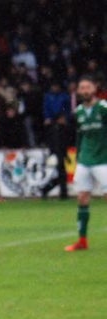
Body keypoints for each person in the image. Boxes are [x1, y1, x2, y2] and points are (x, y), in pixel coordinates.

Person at [65, 75, 107, 252]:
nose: (84, 91)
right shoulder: (79, 112)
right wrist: (76, 153)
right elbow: (79, 136)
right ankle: (82, 240)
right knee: (82, 198)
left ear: (95, 88)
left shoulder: (103, 108)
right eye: (81, 88)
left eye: (87, 87)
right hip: (84, 160)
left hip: (103, 160)